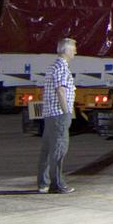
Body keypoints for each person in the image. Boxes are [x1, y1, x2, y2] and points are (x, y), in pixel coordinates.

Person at [37, 37, 77, 194]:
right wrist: (67, 112)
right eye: (74, 49)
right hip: (59, 115)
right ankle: (57, 184)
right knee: (59, 149)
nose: (75, 52)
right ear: (66, 50)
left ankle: (43, 183)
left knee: (46, 150)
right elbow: (61, 90)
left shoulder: (53, 66)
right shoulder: (61, 68)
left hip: (49, 115)